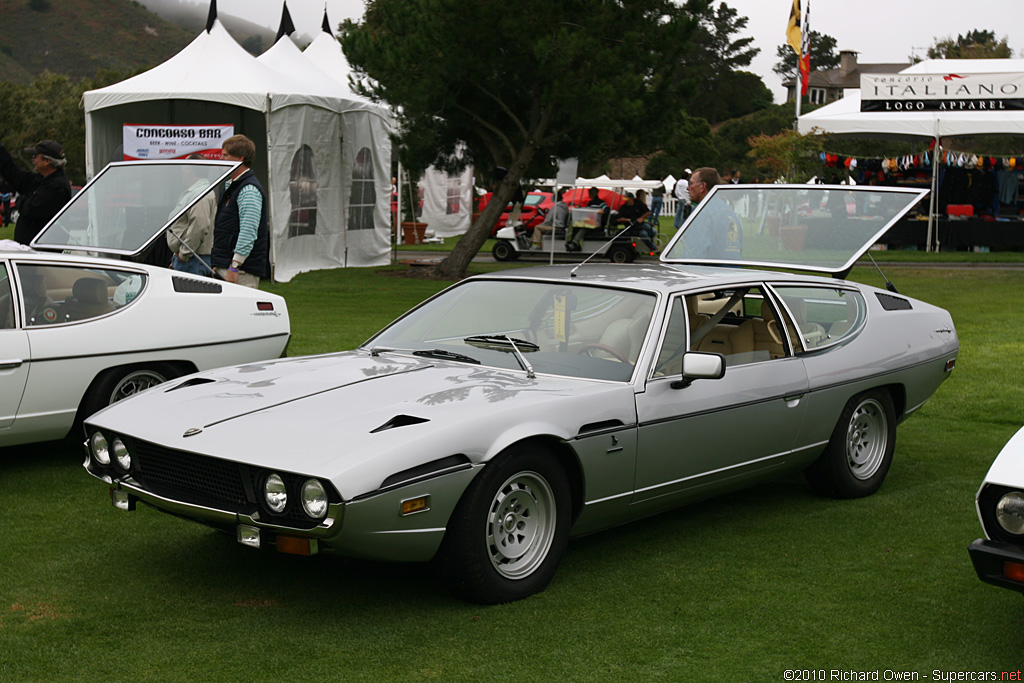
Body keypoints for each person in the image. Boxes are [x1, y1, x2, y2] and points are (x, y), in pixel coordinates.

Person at [212, 135, 270, 287]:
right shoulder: (233, 186)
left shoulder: (248, 189)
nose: (221, 159)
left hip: (241, 271)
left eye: (225, 155)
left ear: (240, 158)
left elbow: (248, 231)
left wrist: (235, 265)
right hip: (227, 266)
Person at [0, 139, 72, 245]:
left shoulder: (58, 187)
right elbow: (13, 173)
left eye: (35, 156)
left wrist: (20, 200)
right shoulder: (42, 179)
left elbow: (30, 208)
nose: (32, 160)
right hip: (30, 250)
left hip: (42, 254)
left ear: (47, 161)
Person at [166, 154, 217, 275]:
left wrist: (184, 254)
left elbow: (200, 226)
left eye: (184, 167)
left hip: (192, 260)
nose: (182, 171)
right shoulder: (195, 192)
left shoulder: (200, 194)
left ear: (189, 170)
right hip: (189, 259)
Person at [683, 167, 742, 259]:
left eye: (691, 184)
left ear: (702, 186)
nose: (687, 188)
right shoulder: (729, 212)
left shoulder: (702, 212)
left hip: (708, 272)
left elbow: (693, 255)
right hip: (731, 271)